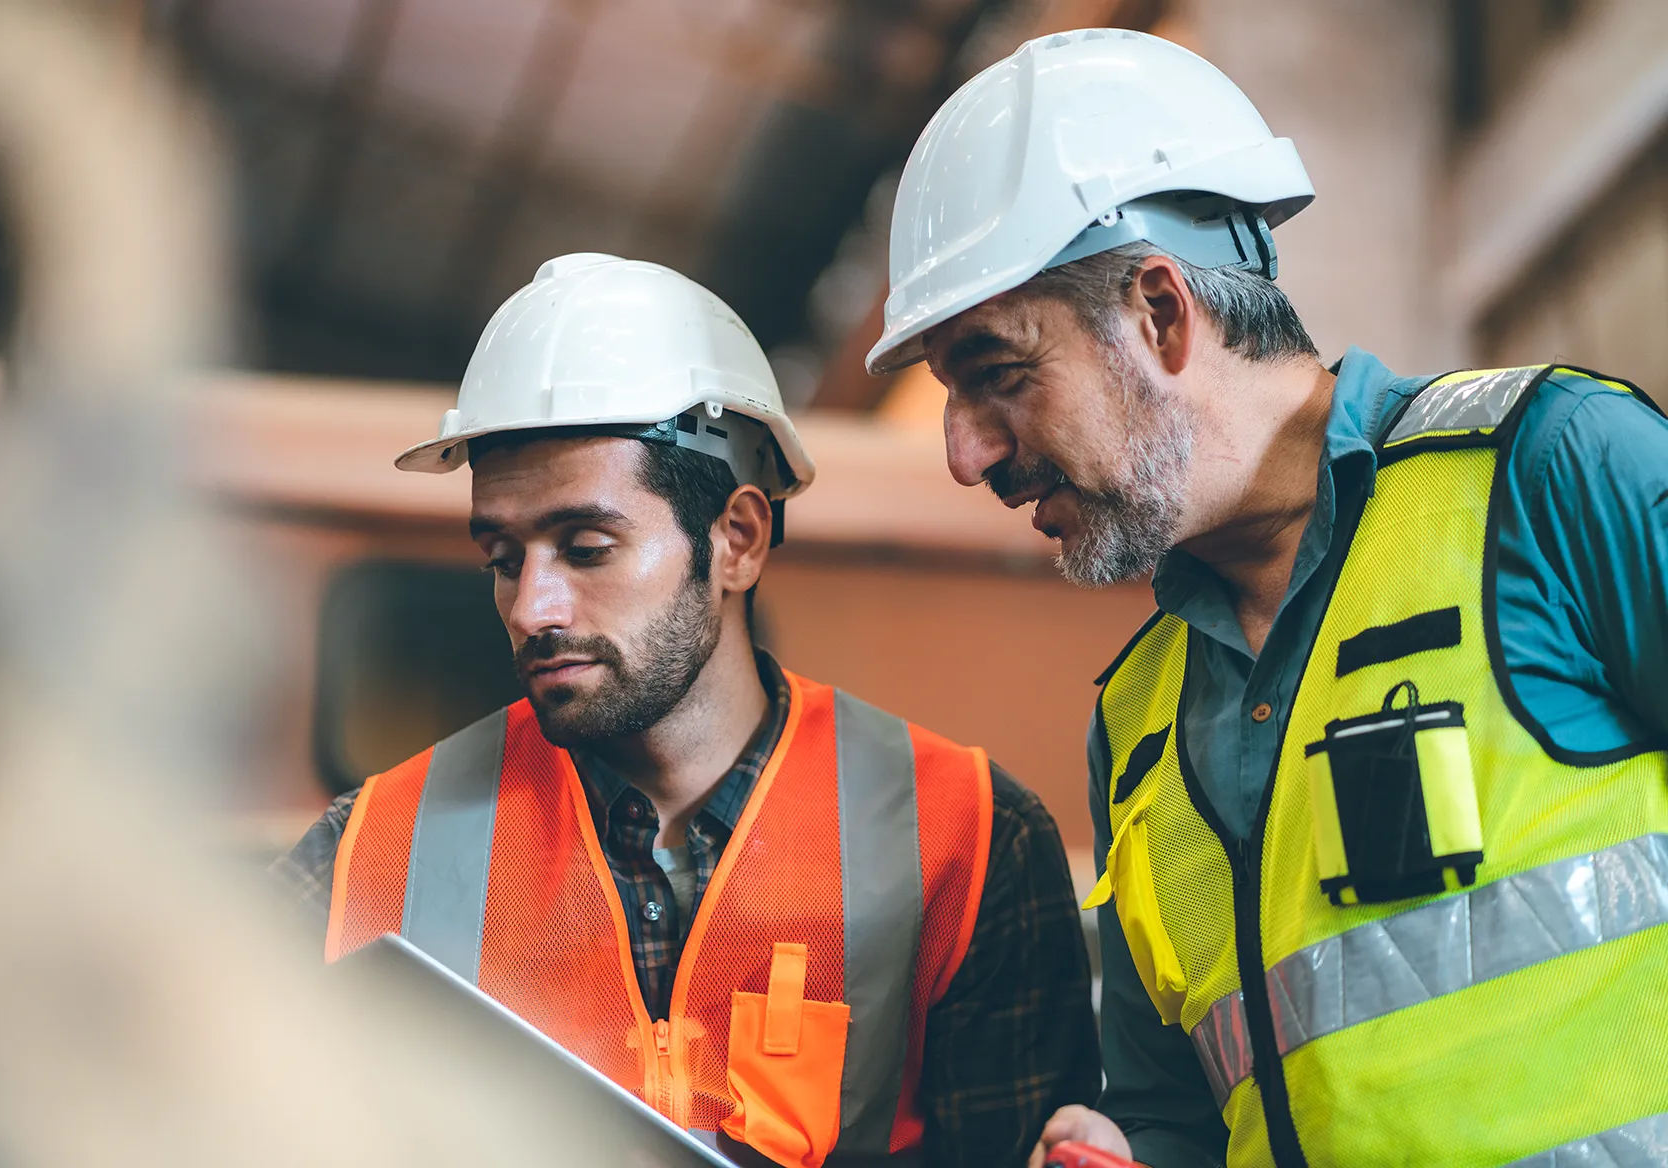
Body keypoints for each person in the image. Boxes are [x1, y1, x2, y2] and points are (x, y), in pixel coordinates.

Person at [864, 29, 1668, 1168]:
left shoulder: (1550, 472)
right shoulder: (1138, 723)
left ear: (1159, 310)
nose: (963, 453)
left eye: (997, 373)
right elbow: (1188, 1115)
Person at [273, 253, 1098, 1168]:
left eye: (585, 548)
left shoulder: (969, 844)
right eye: (504, 557)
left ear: (736, 539)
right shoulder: (369, 854)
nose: (529, 607)